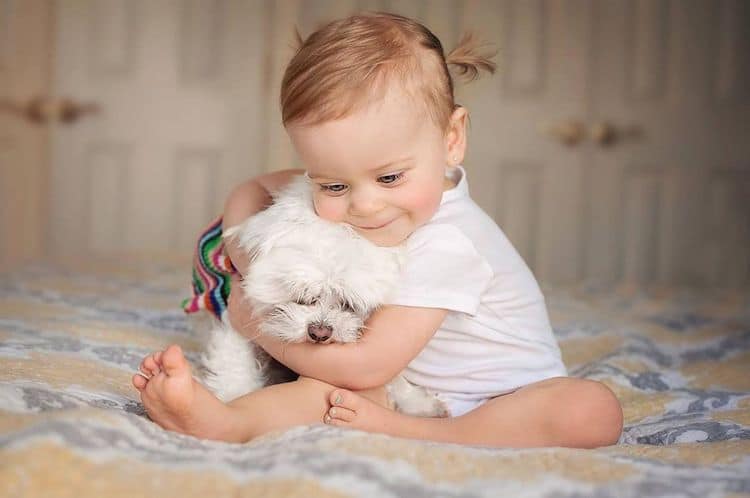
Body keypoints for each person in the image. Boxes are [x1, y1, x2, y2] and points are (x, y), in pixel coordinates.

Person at [132, 12, 623, 448]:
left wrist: (255, 321)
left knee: (592, 410)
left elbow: (367, 363)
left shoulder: (451, 242)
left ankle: (427, 435)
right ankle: (224, 421)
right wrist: (246, 259)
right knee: (328, 391)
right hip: (403, 388)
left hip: (509, 400)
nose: (364, 205)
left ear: (451, 139)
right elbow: (250, 189)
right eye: (333, 183)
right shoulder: (377, 197)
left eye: (389, 177)